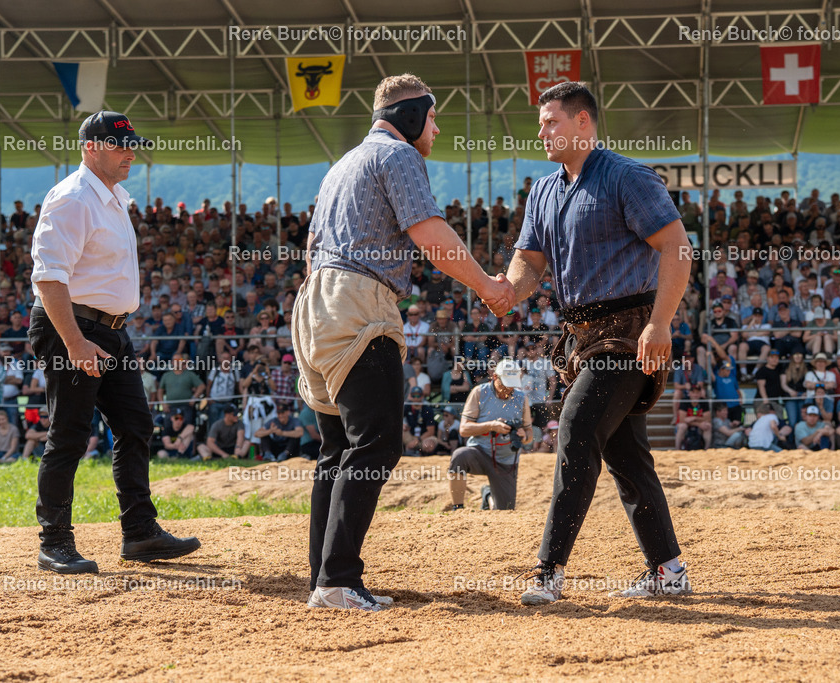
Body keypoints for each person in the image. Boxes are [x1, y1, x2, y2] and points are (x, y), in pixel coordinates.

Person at [293, 74, 513, 612]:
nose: (436, 130)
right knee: (376, 444)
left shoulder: (342, 164)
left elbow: (310, 244)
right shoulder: (398, 157)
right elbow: (429, 233)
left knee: (337, 449)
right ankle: (338, 579)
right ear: (412, 116)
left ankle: (325, 575)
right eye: (433, 118)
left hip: (313, 302)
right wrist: (486, 285)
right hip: (358, 301)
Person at [503, 82, 692, 605]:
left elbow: (676, 247)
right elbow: (530, 262)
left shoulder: (627, 177)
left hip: (630, 333)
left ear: (583, 122)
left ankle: (548, 570)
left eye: (552, 122)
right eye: (540, 124)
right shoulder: (541, 190)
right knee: (626, 454)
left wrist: (660, 324)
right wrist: (505, 290)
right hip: (580, 334)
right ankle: (667, 568)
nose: (542, 131)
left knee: (577, 427)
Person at [29, 111, 199, 574]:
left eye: (131, 143)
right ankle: (54, 541)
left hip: (111, 330)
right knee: (69, 434)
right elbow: (48, 277)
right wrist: (76, 343)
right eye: (120, 144)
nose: (130, 152)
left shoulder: (113, 196)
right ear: (90, 147)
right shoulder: (72, 198)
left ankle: (141, 533)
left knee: (135, 425)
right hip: (75, 329)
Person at [448, 359, 532, 511]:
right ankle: (458, 508)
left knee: (505, 510)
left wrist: (523, 436)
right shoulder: (480, 392)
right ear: (494, 377)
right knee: (459, 456)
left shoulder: (521, 398)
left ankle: (487, 495)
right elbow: (464, 429)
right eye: (505, 383)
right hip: (480, 452)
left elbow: (529, 434)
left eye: (512, 384)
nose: (509, 388)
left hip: (506, 461)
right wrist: (492, 426)